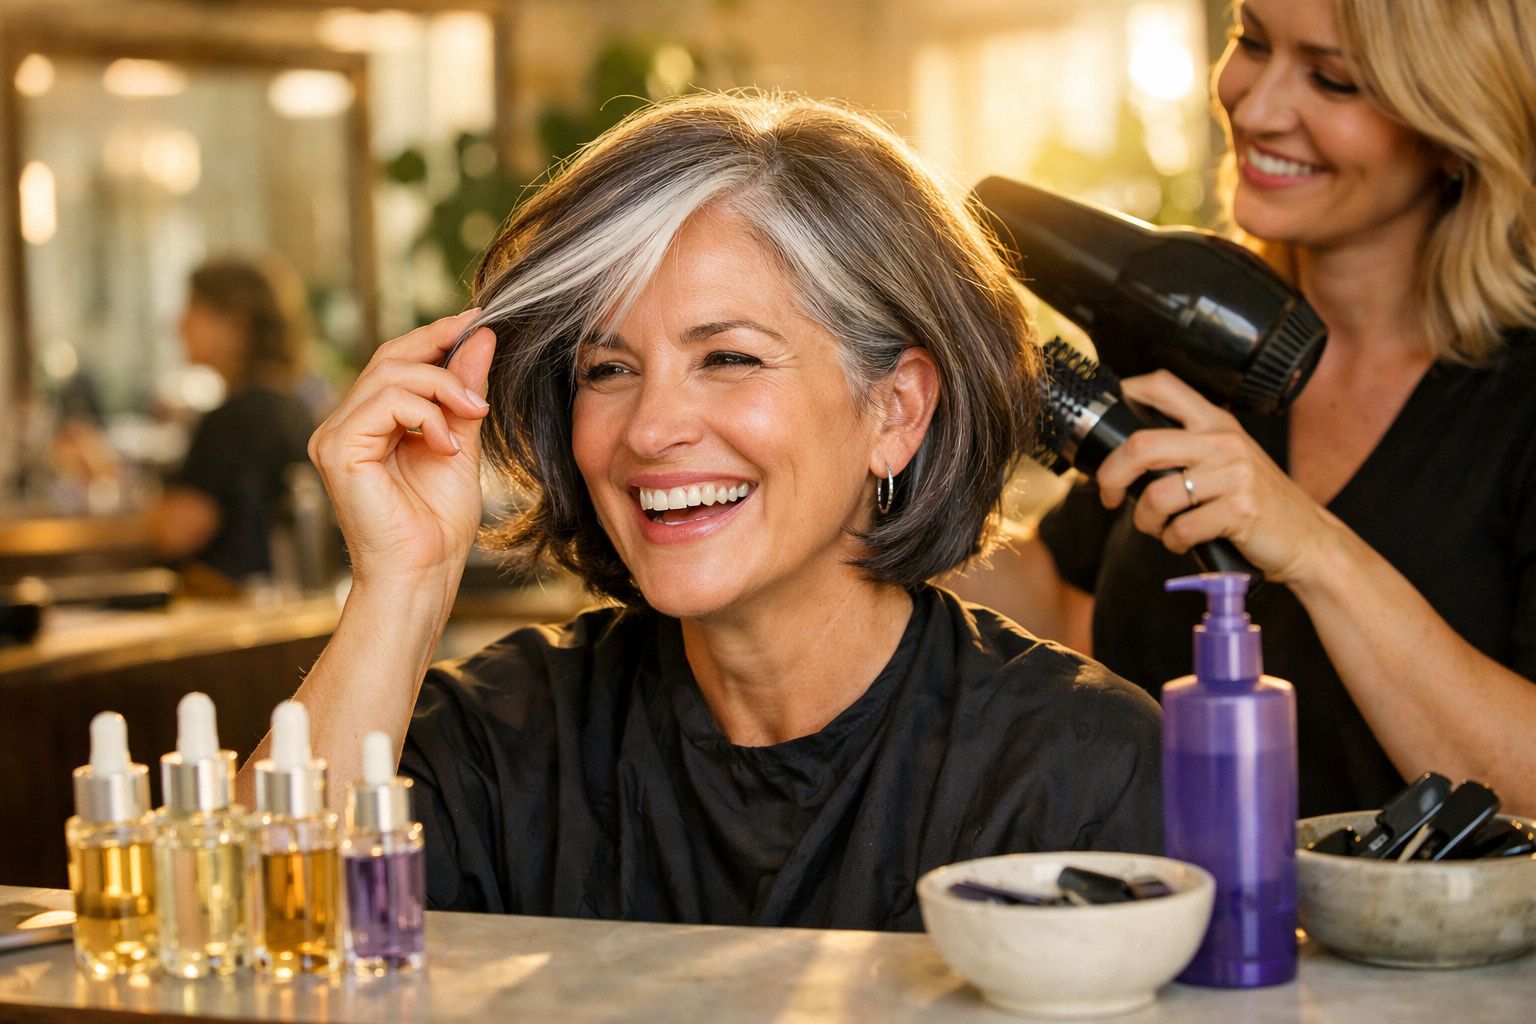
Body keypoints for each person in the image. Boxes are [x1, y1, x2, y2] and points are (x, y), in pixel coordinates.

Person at [235, 92, 1162, 931]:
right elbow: (249, 940)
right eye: (608, 370)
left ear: (897, 410)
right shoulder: (505, 741)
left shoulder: (1077, 768)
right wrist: (403, 581)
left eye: (729, 358)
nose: (650, 429)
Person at [958, 0, 1536, 818]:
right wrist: (862, 477)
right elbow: (1061, 608)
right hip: (1164, 921)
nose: (1257, 107)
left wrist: (1311, 547)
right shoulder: (1199, 336)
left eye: (1333, 80)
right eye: (1251, 42)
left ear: (1453, 120)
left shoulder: (1516, 402)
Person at [150, 259, 317, 589]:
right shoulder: (293, 405)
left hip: (237, 611)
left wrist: (142, 520)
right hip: (285, 603)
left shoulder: (234, 419)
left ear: (236, 326)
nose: (179, 326)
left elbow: (179, 532)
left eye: (194, 308)